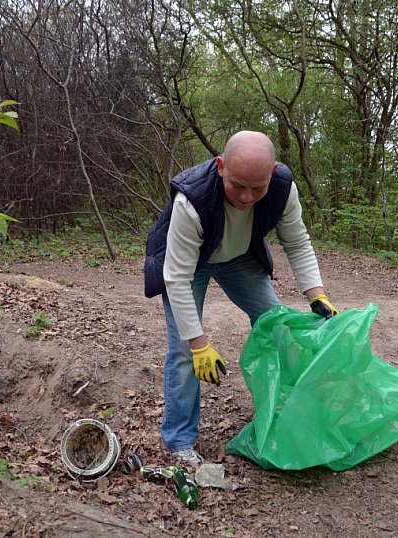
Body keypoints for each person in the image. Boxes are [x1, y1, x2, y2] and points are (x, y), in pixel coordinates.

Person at [143, 130, 339, 467]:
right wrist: (200, 344)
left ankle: (283, 415)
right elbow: (175, 277)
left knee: (277, 325)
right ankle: (179, 441)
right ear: (221, 166)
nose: (247, 197)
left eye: (257, 187)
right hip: (190, 265)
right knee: (183, 352)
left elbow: (297, 242)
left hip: (239, 258)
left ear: (272, 172)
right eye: (238, 185)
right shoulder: (192, 200)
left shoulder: (282, 188)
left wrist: (316, 292)